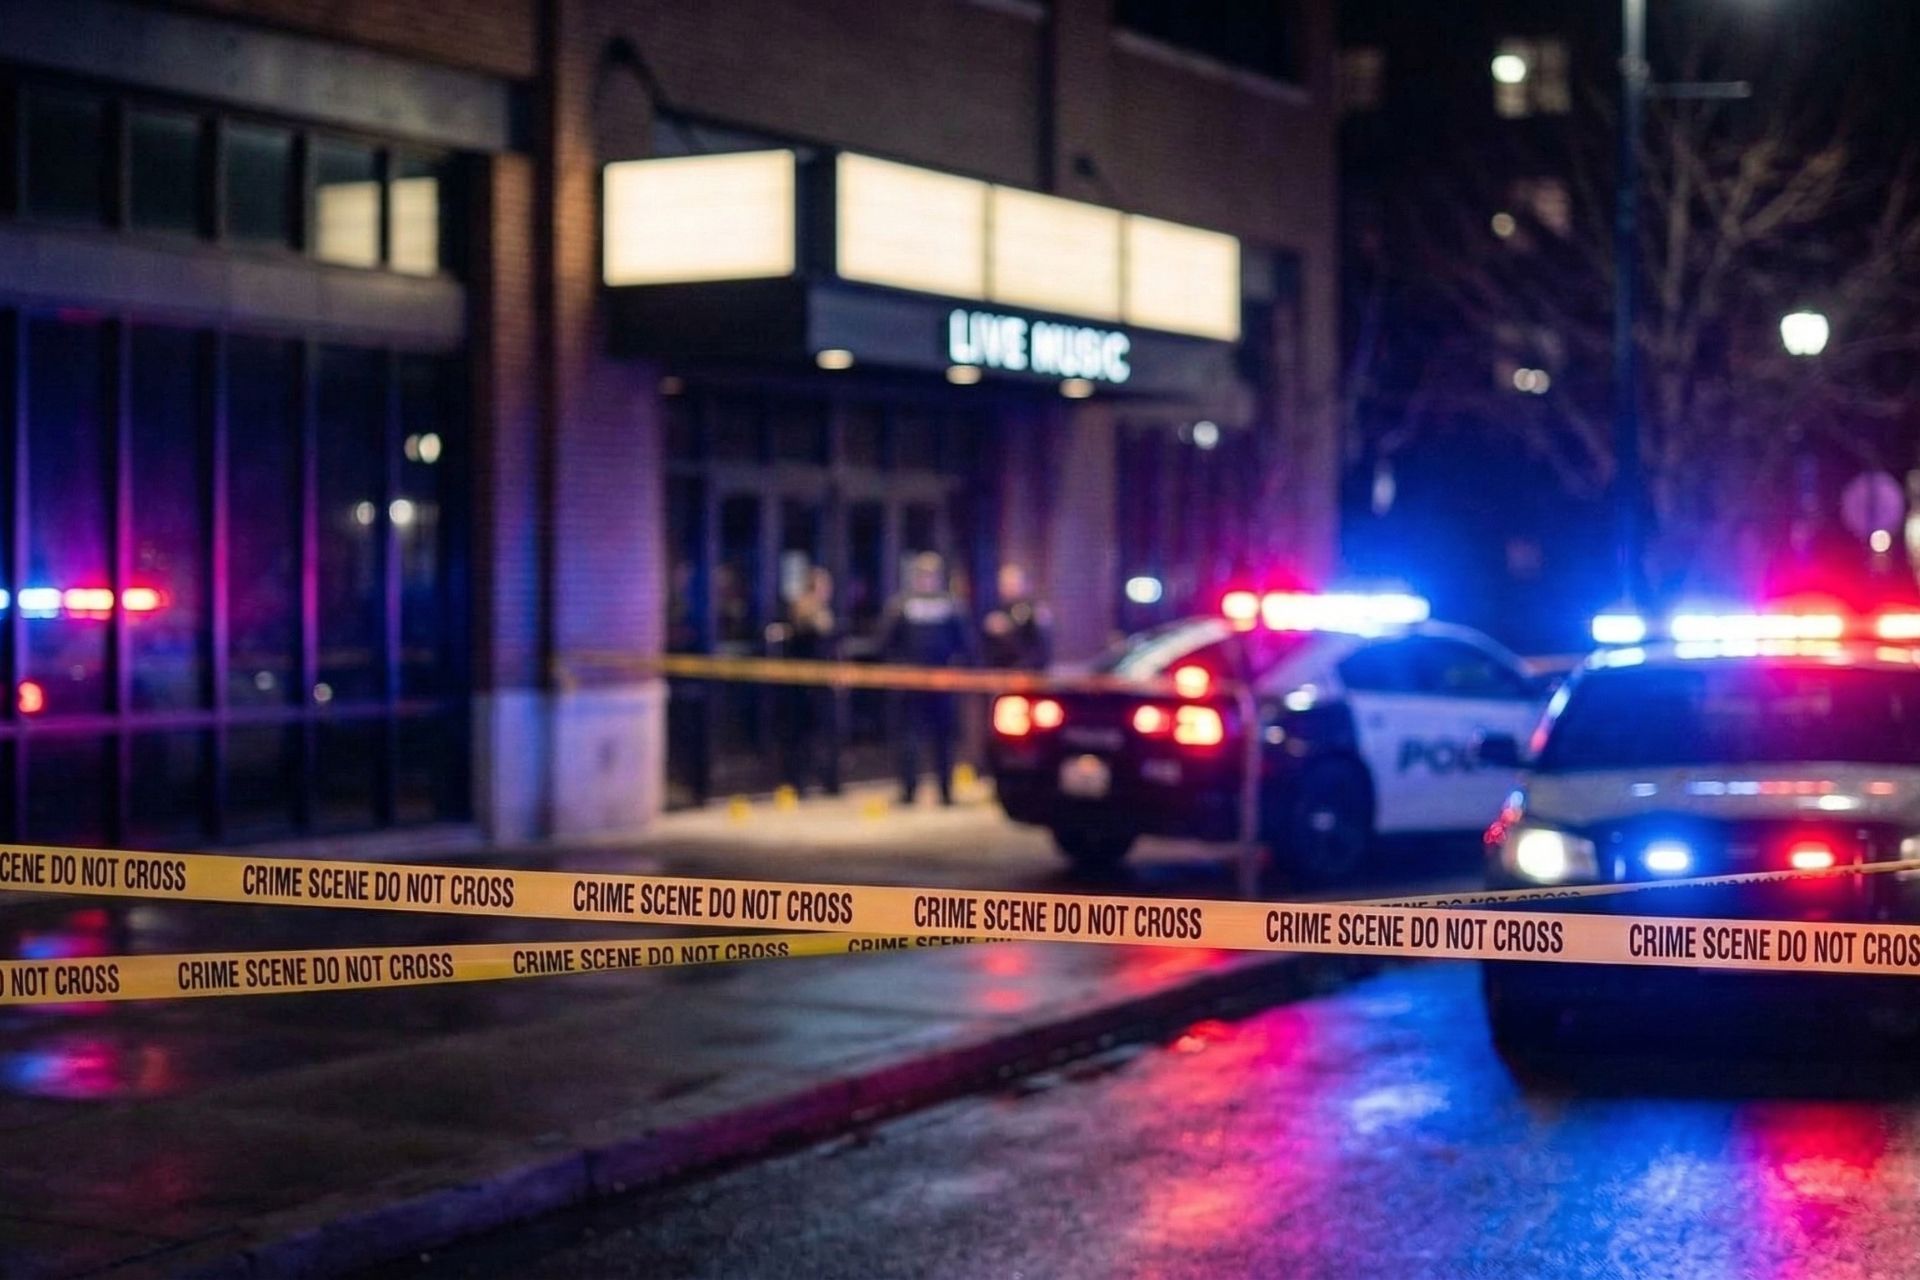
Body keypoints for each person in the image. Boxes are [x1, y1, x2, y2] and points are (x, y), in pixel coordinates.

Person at [882, 552, 971, 805]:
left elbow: (964, 645)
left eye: (931, 575)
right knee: (909, 740)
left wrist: (955, 670)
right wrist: (898, 670)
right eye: (922, 574)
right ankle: (909, 790)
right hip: (911, 685)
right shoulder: (901, 606)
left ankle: (946, 791)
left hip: (942, 685)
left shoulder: (951, 605)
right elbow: (887, 643)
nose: (926, 579)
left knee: (943, 741)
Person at [768, 567, 841, 796]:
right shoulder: (809, 617)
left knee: (809, 738)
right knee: (808, 738)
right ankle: (809, 782)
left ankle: (812, 782)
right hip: (808, 690)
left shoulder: (812, 615)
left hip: (810, 689)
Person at [981, 563, 1052, 670]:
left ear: (1023, 584)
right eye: (1005, 583)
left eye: (1013, 583)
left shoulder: (1035, 609)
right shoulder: (994, 611)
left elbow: (1041, 647)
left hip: (1029, 673)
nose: (1009, 587)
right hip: (1000, 672)